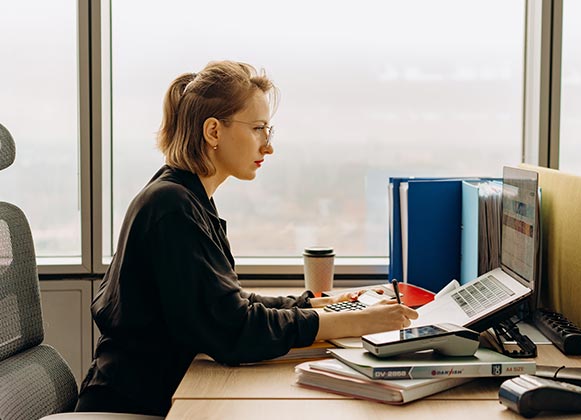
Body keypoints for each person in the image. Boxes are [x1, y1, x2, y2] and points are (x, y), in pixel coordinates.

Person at [76, 60, 418, 416]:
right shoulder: (172, 206)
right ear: (213, 132)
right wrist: (355, 321)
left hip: (156, 394)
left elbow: (228, 305)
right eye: (258, 129)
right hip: (133, 406)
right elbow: (233, 330)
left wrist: (324, 304)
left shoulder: (187, 198)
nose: (267, 147)